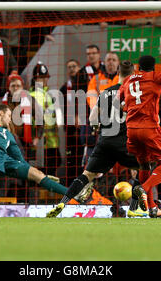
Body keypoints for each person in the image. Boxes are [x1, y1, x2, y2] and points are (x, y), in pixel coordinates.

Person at [47, 60, 147, 218]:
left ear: (119, 74)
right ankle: (134, 209)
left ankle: (63, 202)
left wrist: (96, 127)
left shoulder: (106, 92)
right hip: (125, 143)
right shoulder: (137, 95)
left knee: (87, 175)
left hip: (105, 142)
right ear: (133, 75)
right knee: (141, 171)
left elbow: (93, 117)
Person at [0, 104, 68, 217]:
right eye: (9, 115)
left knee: (36, 173)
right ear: (1, 113)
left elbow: (20, 160)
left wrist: (44, 176)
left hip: (4, 159)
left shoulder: (9, 135)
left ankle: (72, 193)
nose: (10, 119)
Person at [119, 53, 161, 219]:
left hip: (131, 130)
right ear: (153, 67)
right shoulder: (155, 77)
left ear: (138, 66)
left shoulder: (128, 79)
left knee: (144, 165)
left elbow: (120, 101)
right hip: (149, 128)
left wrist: (128, 107)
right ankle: (143, 188)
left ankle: (152, 208)